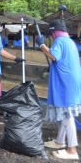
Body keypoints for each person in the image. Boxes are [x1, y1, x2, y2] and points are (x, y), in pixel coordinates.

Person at [36, 19, 81, 160]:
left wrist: (42, 44)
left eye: (51, 34)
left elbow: (54, 56)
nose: (51, 36)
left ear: (55, 32)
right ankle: (59, 141)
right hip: (72, 82)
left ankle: (72, 150)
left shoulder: (60, 41)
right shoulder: (70, 42)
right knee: (64, 113)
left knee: (67, 116)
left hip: (66, 83)